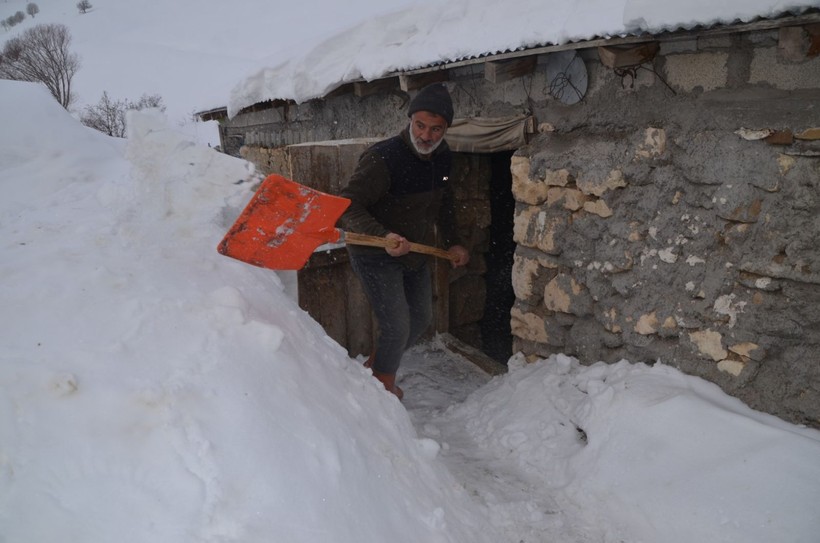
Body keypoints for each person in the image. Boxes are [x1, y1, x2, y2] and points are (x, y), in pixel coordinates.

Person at [339, 82, 470, 400]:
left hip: (413, 252)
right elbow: (346, 204)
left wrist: (454, 241)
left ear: (445, 129)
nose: (426, 136)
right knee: (396, 326)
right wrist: (383, 236)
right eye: (420, 125)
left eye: (436, 129)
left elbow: (445, 202)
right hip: (375, 252)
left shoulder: (441, 158)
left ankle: (377, 366)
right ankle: (382, 388)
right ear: (410, 120)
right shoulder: (384, 157)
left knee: (421, 318)